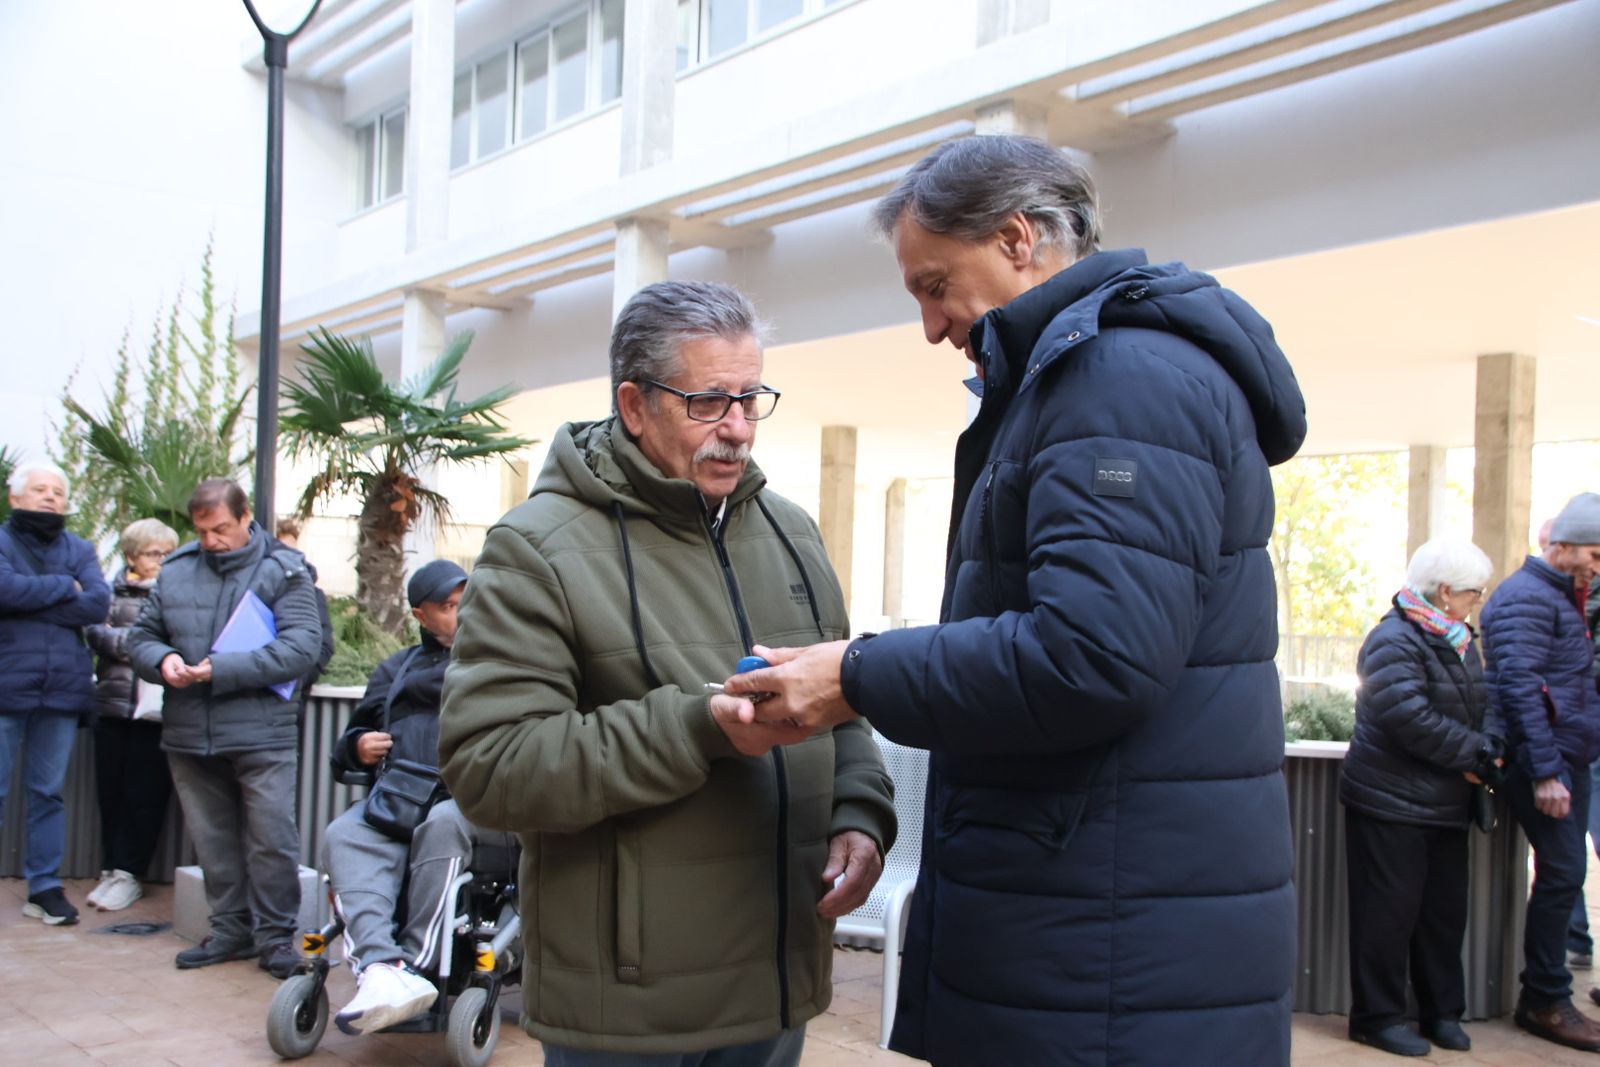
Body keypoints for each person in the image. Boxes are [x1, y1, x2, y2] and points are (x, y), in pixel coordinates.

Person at [725, 135, 1306, 1064]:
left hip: (1107, 957)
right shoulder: (1082, 380)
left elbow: (1093, 655)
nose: (928, 324)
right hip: (1094, 923)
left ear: (1016, 238)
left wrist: (859, 674)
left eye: (932, 284)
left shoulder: (1119, 381)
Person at [438, 280, 897, 1066]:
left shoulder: (791, 530)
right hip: (631, 1007)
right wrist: (695, 728)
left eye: (752, 399)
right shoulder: (535, 546)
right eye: (709, 402)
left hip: (778, 980)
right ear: (634, 403)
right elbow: (491, 768)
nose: (739, 429)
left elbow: (837, 701)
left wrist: (860, 810)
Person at [127, 478, 322, 979]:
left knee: (271, 839)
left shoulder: (285, 568)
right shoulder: (177, 570)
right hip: (190, 730)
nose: (210, 541)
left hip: (263, 733)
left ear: (244, 518)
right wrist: (163, 659)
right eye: (201, 531)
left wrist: (221, 669)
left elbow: (303, 648)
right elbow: (142, 636)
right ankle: (229, 929)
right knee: (212, 840)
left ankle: (277, 937)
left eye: (220, 530)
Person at [322, 559, 517, 1036]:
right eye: (448, 606)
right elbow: (347, 746)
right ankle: (381, 967)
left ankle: (417, 967)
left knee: (443, 824)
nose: (462, 611)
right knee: (344, 831)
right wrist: (359, 746)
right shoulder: (396, 668)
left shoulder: (504, 660)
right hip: (402, 799)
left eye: (466, 600)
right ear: (420, 615)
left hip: (476, 804)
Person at [1339, 537, 1503, 1056]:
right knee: (1387, 918)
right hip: (1391, 803)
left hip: (1443, 803)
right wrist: (1475, 754)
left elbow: (1477, 703)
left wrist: (1489, 745)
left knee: (1441, 917)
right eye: (1475, 592)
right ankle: (1377, 1018)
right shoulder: (1394, 639)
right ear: (1446, 591)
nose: (1478, 601)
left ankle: (1440, 1014)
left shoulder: (1455, 636)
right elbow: (1406, 716)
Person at [1480, 491, 1600, 1050]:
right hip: (1540, 766)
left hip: (1565, 761)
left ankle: (1549, 996)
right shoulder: (1526, 597)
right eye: (1595, 555)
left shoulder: (1560, 594)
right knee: (1561, 873)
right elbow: (1520, 689)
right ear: (1563, 545)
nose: (1598, 567)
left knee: (1564, 874)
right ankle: (1545, 1001)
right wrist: (1548, 773)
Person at [0, 463, 111, 926]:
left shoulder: (80, 547)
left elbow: (98, 602)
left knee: (47, 793)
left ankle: (43, 887)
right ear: (15, 498)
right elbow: (3, 590)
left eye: (59, 491)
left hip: (62, 692)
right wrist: (66, 586)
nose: (51, 497)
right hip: (5, 687)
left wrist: (30, 602)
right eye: (40, 489)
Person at [83, 517, 181, 912]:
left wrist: (133, 645)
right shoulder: (108, 591)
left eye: (168, 553)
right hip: (112, 703)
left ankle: (130, 872)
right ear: (131, 557)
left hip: (154, 711)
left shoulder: (178, 594)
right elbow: (95, 633)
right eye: (153, 553)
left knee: (145, 792)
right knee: (111, 788)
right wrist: (143, 646)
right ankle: (110, 867)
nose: (161, 560)